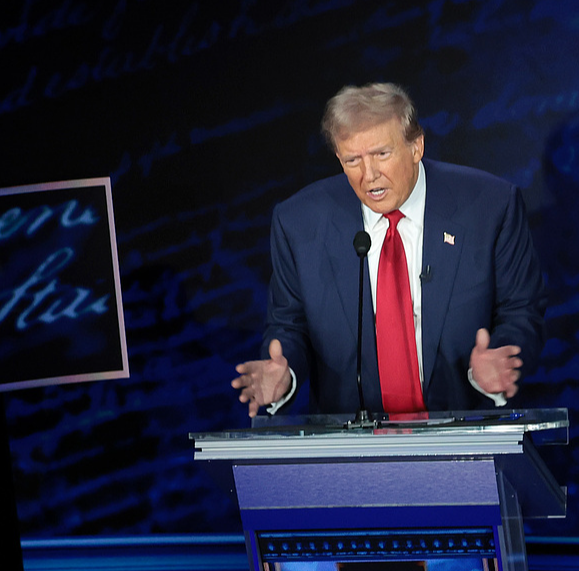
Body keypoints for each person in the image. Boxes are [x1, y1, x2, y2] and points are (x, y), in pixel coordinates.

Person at [231, 83, 546, 416]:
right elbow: (288, 327)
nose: (369, 176)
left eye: (382, 154)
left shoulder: (490, 207)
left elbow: (521, 310)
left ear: (416, 146)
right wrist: (286, 373)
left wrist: (499, 359)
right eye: (353, 159)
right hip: (352, 449)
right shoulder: (299, 222)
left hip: (465, 431)